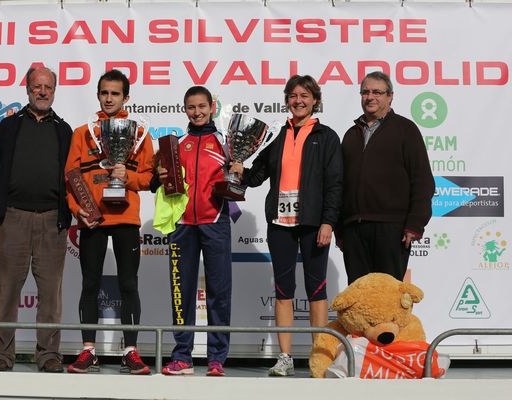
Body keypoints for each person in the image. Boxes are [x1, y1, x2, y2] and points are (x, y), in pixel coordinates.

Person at [230, 75, 342, 376]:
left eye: (305, 95)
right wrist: (239, 169)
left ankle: (320, 356)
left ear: (315, 100)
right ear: (286, 100)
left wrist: (328, 221)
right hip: (280, 223)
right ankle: (285, 357)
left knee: (316, 289)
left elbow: (335, 184)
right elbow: (257, 177)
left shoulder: (327, 136)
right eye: (293, 95)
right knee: (284, 290)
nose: (298, 100)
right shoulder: (277, 136)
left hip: (313, 223)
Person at [0, 66, 72, 373]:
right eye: (37, 86)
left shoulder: (64, 130)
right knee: (8, 291)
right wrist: (8, 205)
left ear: (55, 91)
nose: (42, 91)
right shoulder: (8, 127)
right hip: (13, 219)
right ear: (28, 89)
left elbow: (73, 178)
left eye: (48, 87)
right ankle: (2, 357)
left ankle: (48, 356)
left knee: (50, 295)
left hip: (52, 222)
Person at [65, 70, 154, 375]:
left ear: (126, 97)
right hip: (93, 220)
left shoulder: (140, 133)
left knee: (129, 284)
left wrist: (126, 177)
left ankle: (131, 351)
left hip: (126, 218)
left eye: (115, 93)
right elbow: (70, 178)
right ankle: (88, 350)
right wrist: (80, 211)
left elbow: (149, 178)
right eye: (104, 92)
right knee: (89, 284)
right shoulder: (82, 133)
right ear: (98, 95)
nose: (109, 98)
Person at [151, 86, 232, 377]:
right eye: (190, 107)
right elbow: (158, 181)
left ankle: (217, 358)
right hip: (181, 225)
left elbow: (237, 181)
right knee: (180, 293)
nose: (197, 112)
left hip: (215, 222)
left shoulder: (225, 142)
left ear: (212, 106)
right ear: (184, 109)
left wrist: (237, 172)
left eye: (201, 106)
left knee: (219, 293)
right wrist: (158, 176)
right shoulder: (176, 144)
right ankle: (182, 357)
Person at [339, 71, 434, 284]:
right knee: (359, 299)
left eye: (377, 92)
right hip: (354, 229)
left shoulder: (405, 129)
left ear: (390, 96)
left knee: (389, 297)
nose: (370, 97)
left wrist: (415, 224)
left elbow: (422, 181)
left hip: (392, 229)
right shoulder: (351, 134)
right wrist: (340, 228)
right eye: (365, 92)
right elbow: (341, 184)